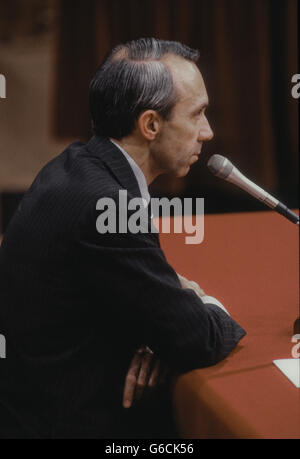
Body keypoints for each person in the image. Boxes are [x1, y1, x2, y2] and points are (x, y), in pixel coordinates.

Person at [0, 38, 245, 439]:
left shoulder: (73, 166)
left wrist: (157, 330)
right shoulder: (111, 206)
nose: (208, 132)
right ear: (150, 124)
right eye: (198, 114)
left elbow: (138, 304)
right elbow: (198, 338)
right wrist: (202, 302)